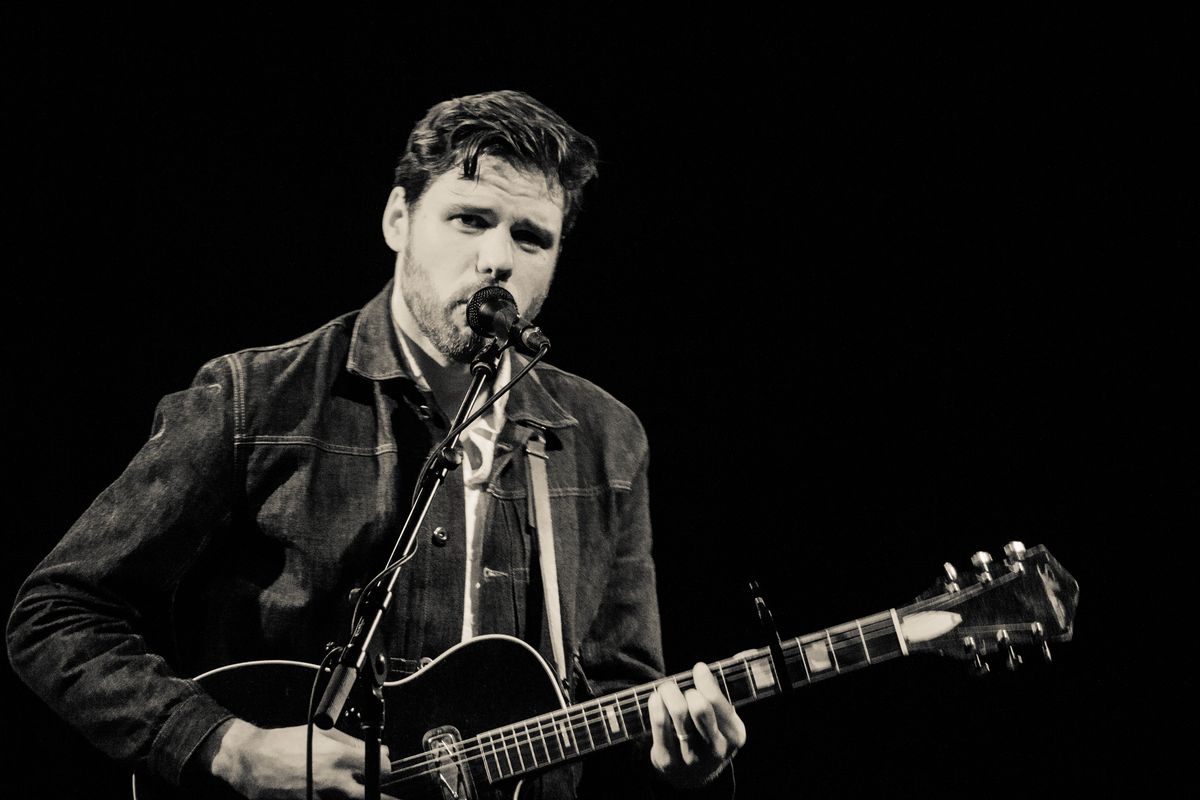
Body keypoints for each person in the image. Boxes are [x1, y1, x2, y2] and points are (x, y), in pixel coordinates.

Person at [7, 89, 745, 798]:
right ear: (398, 219)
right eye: (469, 219)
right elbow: (57, 613)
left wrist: (684, 768)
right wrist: (228, 748)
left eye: (531, 237)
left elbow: (619, 699)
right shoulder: (256, 398)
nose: (498, 259)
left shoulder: (606, 437)